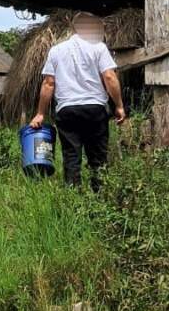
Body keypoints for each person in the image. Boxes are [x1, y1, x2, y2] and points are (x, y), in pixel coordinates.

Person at [30, 11, 126, 188]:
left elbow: (48, 83)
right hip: (95, 109)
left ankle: (74, 200)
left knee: (71, 156)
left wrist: (40, 114)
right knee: (98, 157)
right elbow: (110, 77)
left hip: (67, 111)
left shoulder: (56, 51)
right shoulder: (98, 47)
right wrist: (119, 105)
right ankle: (99, 198)